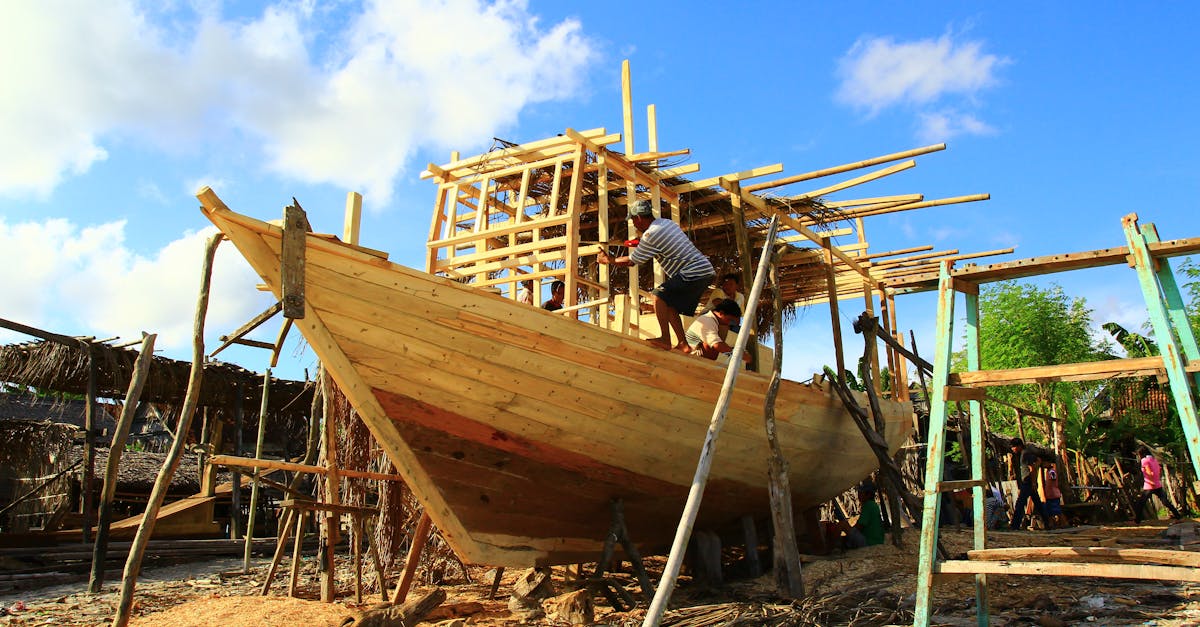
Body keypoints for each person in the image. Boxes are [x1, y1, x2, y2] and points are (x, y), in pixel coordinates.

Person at [597, 199, 715, 352]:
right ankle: (683, 344)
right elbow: (662, 241)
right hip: (704, 271)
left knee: (658, 295)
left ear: (639, 218)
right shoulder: (666, 223)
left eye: (633, 220)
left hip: (694, 272)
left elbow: (632, 261)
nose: (634, 224)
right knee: (669, 304)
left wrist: (609, 260)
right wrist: (640, 242)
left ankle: (665, 339)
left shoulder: (650, 235)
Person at [684, 300, 749, 362]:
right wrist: (739, 355)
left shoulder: (712, 321)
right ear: (721, 313)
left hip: (696, 357)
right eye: (730, 320)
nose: (729, 323)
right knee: (715, 344)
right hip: (690, 357)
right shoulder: (707, 320)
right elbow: (717, 345)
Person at [1133, 446, 1183, 523]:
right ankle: (1178, 515)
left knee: (1141, 502)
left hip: (1149, 484)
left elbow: (1149, 471)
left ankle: (1137, 519)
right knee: (1165, 501)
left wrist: (1150, 479)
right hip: (1157, 483)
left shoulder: (1144, 460)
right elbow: (1159, 469)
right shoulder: (1154, 459)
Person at [1009, 438, 1049, 531]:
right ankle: (1047, 523)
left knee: (1020, 503)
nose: (1013, 449)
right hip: (1028, 482)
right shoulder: (1024, 454)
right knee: (1038, 504)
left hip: (1028, 482)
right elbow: (1038, 460)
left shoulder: (1025, 454)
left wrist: (1034, 482)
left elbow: (1032, 468)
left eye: (1014, 447)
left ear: (1019, 446)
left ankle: (1015, 525)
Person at [855, 482, 886, 546]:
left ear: (868, 495)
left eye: (861, 493)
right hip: (877, 540)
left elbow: (860, 526)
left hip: (870, 541)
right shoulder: (873, 505)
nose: (859, 495)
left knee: (843, 526)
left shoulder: (868, 506)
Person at [1041, 460, 1067, 529]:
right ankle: (1051, 524)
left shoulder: (1052, 471)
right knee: (1049, 511)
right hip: (1049, 494)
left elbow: (1053, 479)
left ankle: (1064, 523)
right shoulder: (1047, 472)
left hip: (1053, 494)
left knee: (1056, 510)